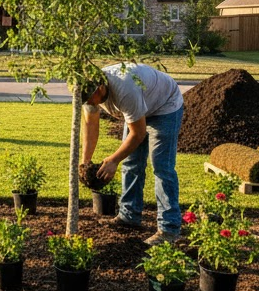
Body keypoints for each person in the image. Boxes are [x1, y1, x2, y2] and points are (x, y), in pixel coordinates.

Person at [79, 62, 184, 245]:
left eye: (91, 98)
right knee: (131, 164)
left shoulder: (125, 88)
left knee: (162, 167)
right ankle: (129, 216)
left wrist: (113, 160)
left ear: (101, 87)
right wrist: (85, 161)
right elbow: (91, 125)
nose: (89, 102)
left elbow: (138, 134)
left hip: (165, 106)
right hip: (141, 107)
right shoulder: (88, 93)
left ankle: (169, 228)